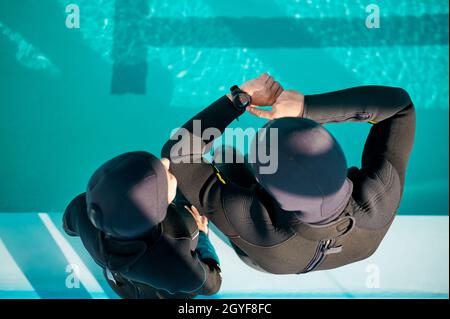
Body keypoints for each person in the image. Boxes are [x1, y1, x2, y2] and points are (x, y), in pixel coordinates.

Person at [162, 75, 415, 274]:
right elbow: (400, 107)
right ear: (338, 157)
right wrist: (306, 108)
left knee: (226, 155)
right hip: (352, 248)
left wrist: (238, 100)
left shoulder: (253, 223)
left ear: (262, 185)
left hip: (268, 257)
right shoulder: (379, 198)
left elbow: (177, 154)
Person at [63, 152, 222, 298]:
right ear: (158, 209)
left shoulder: (81, 211)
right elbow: (212, 285)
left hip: (125, 287)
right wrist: (202, 235)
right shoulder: (180, 242)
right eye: (164, 176)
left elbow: (68, 226)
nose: (165, 162)